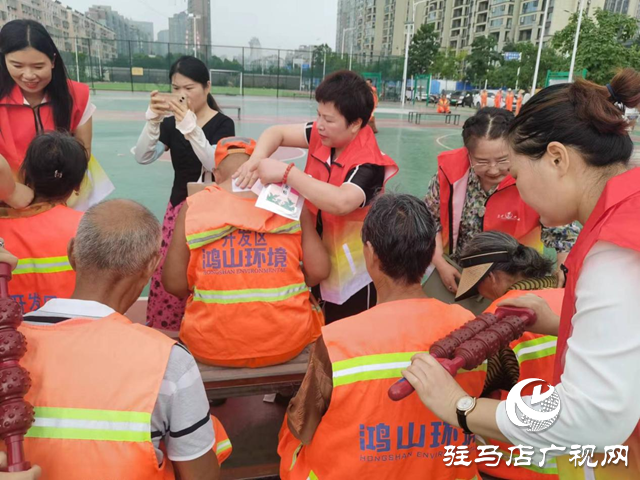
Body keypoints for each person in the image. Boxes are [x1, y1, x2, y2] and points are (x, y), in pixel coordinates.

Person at [404, 68, 640, 478]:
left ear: (557, 158)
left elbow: (587, 420)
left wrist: (461, 407)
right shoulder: (626, 214)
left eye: (515, 172)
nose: (517, 189)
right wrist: (562, 321)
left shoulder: (615, 249)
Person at [278, 193, 485, 479]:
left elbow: (302, 425)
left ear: (371, 253)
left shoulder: (338, 340)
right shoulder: (471, 327)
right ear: (429, 256)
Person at [23, 199, 231, 479]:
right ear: (152, 265)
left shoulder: (10, 342)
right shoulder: (169, 361)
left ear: (72, 253)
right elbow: (201, 476)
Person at [233, 70, 398, 323]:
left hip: (353, 273)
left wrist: (287, 174)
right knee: (317, 322)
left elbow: (341, 202)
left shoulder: (369, 163)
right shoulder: (323, 136)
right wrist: (255, 160)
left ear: (355, 123)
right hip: (317, 256)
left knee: (346, 331)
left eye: (328, 119)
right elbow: (276, 133)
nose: (319, 124)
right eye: (318, 114)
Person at [163, 137, 330, 367]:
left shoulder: (194, 206)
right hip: (288, 342)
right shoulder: (288, 202)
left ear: (216, 174)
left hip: (209, 345)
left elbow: (173, 284)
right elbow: (319, 271)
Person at [423, 107, 579, 307]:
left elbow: (563, 233)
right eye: (482, 161)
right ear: (468, 154)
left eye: (503, 160)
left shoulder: (535, 180)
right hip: (457, 273)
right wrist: (440, 262)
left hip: (514, 281)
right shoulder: (448, 175)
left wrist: (563, 268)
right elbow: (430, 220)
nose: (493, 169)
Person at [134, 55, 235, 331]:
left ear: (207, 87)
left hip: (212, 212)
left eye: (189, 88)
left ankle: (207, 329)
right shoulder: (170, 125)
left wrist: (190, 127)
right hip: (179, 209)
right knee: (171, 273)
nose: (182, 94)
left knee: (209, 270)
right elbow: (143, 156)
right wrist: (152, 121)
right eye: (176, 88)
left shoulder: (223, 124)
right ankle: (170, 330)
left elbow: (215, 164)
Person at [457, 231, 562, 480]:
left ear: (492, 277)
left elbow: (475, 391)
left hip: (516, 465)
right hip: (577, 462)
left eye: (478, 286)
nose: (481, 295)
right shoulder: (568, 297)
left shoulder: (499, 316)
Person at [1, 132, 87, 313]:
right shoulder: (88, 228)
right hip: (71, 327)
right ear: (78, 184)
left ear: (25, 174)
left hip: (11, 329)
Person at [0, 20, 93, 173]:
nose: (29, 75)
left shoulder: (77, 95)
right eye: (17, 66)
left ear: (53, 61)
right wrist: (14, 186)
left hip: (62, 183)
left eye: (38, 66)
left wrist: (56, 183)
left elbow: (84, 151)